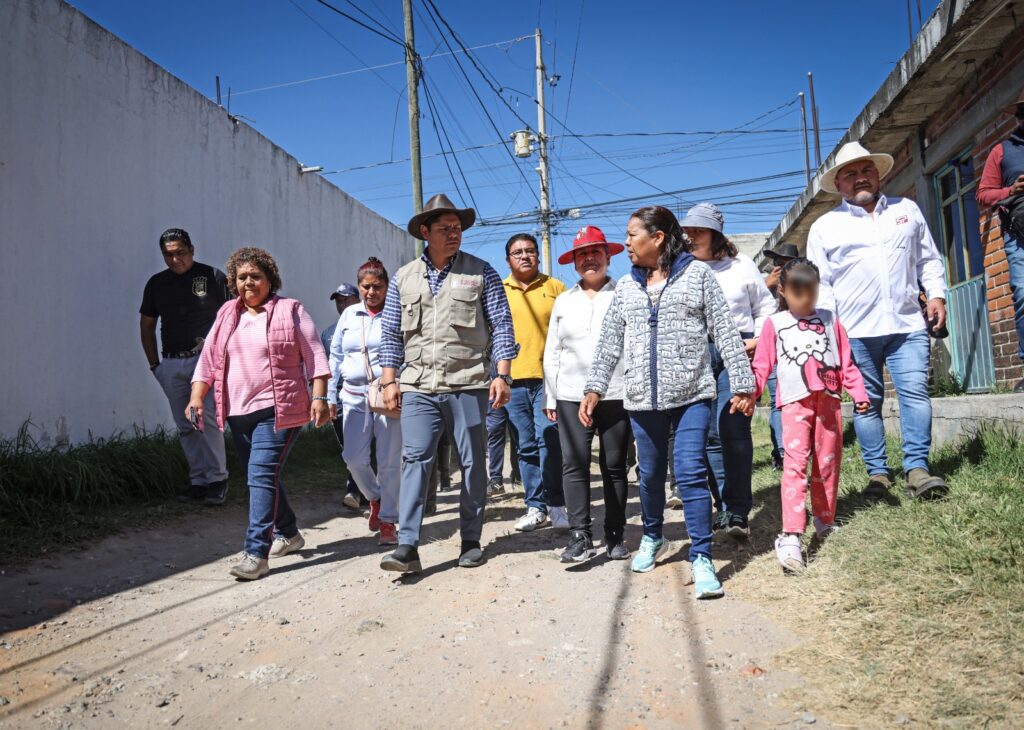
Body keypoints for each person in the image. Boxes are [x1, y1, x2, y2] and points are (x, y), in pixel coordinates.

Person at [582, 206, 756, 599]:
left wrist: (742, 383)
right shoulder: (626, 286)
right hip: (642, 398)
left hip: (693, 393)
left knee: (691, 471)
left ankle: (702, 556)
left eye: (631, 235)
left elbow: (725, 330)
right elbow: (610, 340)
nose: (626, 242)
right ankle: (653, 535)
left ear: (657, 237)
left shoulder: (697, 275)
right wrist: (594, 387)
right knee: (649, 474)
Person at [378, 194, 516, 573]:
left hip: (468, 382)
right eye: (445, 229)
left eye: (457, 228)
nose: (454, 234)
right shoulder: (403, 278)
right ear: (425, 232)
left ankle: (470, 540)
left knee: (473, 464)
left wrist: (502, 374)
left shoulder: (481, 272)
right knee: (414, 460)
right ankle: (407, 545)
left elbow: (502, 325)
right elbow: (391, 334)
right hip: (418, 385)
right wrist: (390, 381)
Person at [807, 141, 949, 501]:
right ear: (838, 184)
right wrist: (829, 333)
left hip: (906, 325)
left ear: (878, 173)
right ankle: (879, 475)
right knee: (866, 402)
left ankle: (917, 469)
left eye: (866, 170)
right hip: (853, 332)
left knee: (915, 394)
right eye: (850, 174)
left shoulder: (907, 210)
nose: (860, 178)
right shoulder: (825, 226)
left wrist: (935, 294)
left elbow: (928, 260)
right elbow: (820, 287)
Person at [189, 247, 331, 580]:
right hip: (237, 411)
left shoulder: (289, 310)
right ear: (233, 282)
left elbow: (314, 353)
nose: (248, 283)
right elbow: (208, 359)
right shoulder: (227, 313)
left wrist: (320, 397)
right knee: (263, 476)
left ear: (270, 279)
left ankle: (256, 553)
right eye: (241, 277)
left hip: (278, 409)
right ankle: (290, 534)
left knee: (261, 474)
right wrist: (197, 396)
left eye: (256, 276)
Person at [749, 259, 870, 572]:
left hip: (828, 402)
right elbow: (762, 364)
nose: (805, 299)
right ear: (783, 291)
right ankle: (791, 534)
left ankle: (824, 520)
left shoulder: (830, 320)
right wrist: (750, 394)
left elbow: (846, 362)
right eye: (798, 292)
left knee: (828, 462)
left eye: (811, 292)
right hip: (794, 404)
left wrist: (858, 393)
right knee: (795, 465)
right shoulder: (773, 324)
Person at [681, 203, 776, 540]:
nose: (690, 236)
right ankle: (721, 508)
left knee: (733, 427)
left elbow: (766, 308)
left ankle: (737, 510)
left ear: (715, 234)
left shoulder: (742, 265)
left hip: (738, 348)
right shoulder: (682, 269)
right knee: (706, 433)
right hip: (697, 353)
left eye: (698, 230)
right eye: (687, 230)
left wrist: (757, 341)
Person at [543, 226, 631, 562]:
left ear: (608, 257)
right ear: (574, 263)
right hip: (569, 394)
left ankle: (615, 534)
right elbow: (553, 352)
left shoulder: (624, 294)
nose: (589, 259)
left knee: (614, 466)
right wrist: (551, 397)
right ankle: (579, 535)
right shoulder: (564, 301)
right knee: (574, 464)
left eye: (595, 252)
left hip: (616, 393)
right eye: (582, 254)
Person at [140, 228, 230, 505]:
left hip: (204, 362)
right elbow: (147, 324)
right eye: (169, 254)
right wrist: (155, 364)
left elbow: (231, 318)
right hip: (170, 362)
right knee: (185, 425)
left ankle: (218, 479)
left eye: (180, 252)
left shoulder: (212, 277)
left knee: (207, 421)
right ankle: (198, 481)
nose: (175, 259)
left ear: (192, 249)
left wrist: (222, 357)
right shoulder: (157, 283)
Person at [328, 258, 401, 546]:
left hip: (386, 396)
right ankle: (376, 498)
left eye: (377, 286)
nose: (371, 292)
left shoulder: (397, 314)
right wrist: (329, 394)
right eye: (366, 287)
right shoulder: (349, 315)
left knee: (388, 461)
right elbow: (335, 356)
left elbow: (407, 353)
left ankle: (388, 522)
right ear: (359, 287)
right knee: (353, 459)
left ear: (386, 286)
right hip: (354, 397)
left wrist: (396, 383)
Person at [501, 233, 568, 533]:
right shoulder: (499, 291)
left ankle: (557, 504)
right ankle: (535, 506)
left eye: (530, 251)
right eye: (518, 252)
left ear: (538, 257)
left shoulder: (556, 288)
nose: (525, 256)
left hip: (548, 379)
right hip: (512, 379)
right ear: (508, 260)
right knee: (525, 446)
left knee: (550, 440)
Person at [977, 89, 1024, 393]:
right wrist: (1012, 190)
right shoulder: (1002, 151)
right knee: (1023, 294)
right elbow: (983, 195)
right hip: (1019, 238)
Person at [320, 282, 365, 513]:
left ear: (357, 299)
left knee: (363, 444)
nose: (342, 304)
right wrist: (324, 398)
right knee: (348, 445)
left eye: (347, 299)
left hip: (364, 394)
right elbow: (324, 368)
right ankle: (360, 489)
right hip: (337, 396)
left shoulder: (369, 325)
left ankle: (357, 490)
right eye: (339, 300)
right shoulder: (328, 333)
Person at [761, 242, 799, 468]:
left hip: (798, 345)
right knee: (778, 402)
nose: (779, 267)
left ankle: (799, 447)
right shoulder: (762, 281)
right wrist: (768, 285)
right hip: (772, 345)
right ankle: (783, 453)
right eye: (777, 262)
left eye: (785, 263)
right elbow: (755, 307)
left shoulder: (804, 280)